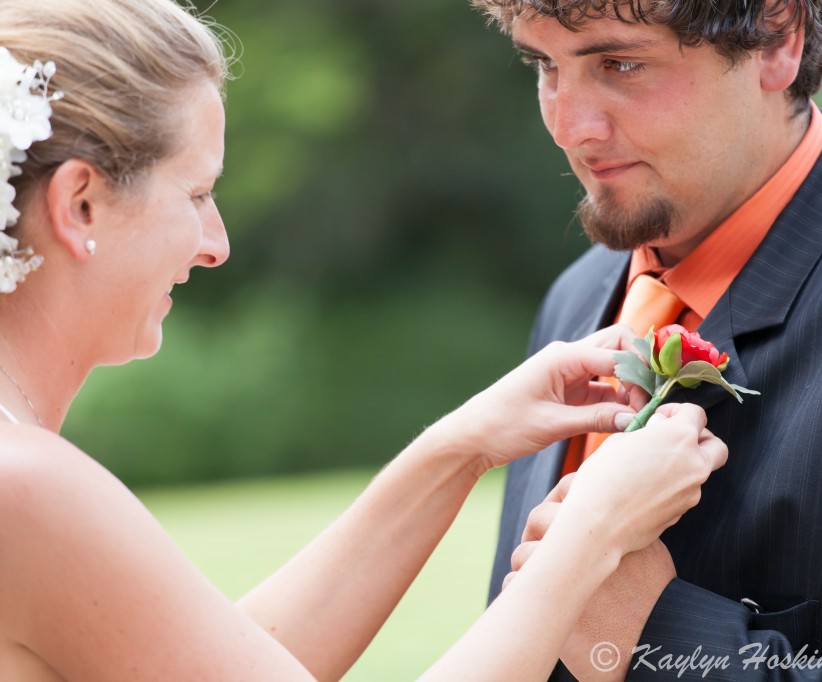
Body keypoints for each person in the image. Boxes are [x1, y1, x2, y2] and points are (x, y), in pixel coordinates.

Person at [0, 1, 731, 680]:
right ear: (80, 203)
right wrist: (590, 537)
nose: (215, 244)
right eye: (196, 194)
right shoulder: (25, 488)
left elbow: (225, 660)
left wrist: (459, 447)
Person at [471, 0, 822, 680]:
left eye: (619, 63)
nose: (568, 127)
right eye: (543, 65)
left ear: (776, 38)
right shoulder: (579, 297)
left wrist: (657, 637)